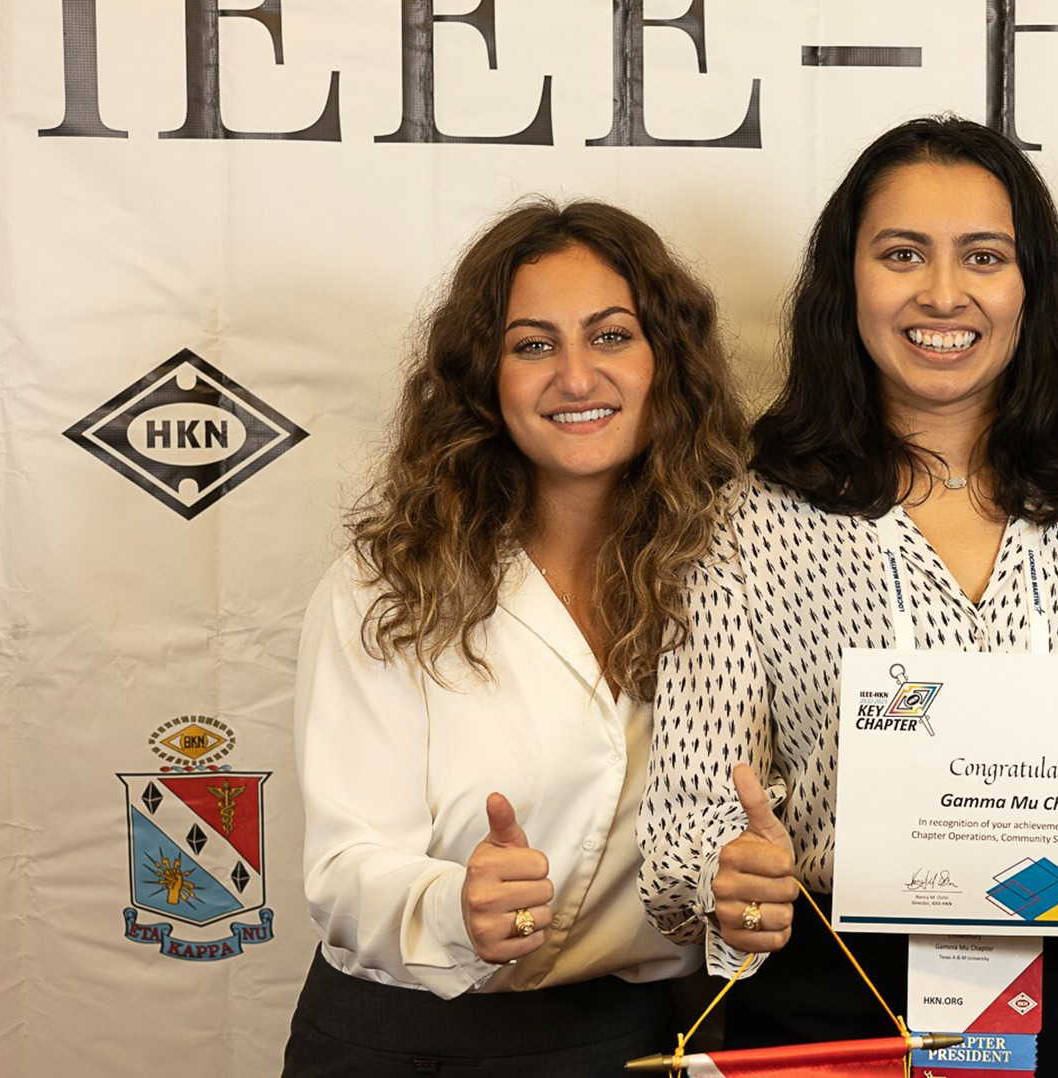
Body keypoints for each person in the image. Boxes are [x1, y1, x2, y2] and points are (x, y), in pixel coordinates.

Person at [636, 116, 1058, 1075]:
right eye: (902, 253)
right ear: (848, 281)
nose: (943, 292)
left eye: (985, 256)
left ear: (1029, 287)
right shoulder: (750, 521)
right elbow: (684, 826)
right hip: (841, 1002)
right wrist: (726, 877)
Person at [285, 200, 745, 1075]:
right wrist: (455, 903)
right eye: (533, 345)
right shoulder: (389, 583)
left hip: (637, 1040)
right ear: (484, 378)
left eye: (611, 336)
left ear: (667, 364)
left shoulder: (726, 572)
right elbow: (343, 865)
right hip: (407, 1042)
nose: (576, 377)